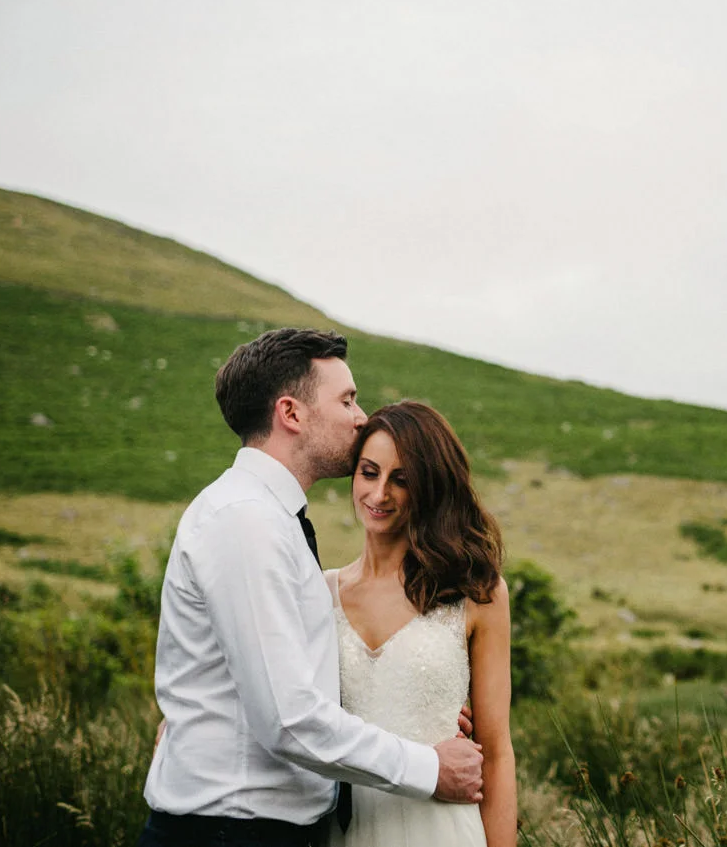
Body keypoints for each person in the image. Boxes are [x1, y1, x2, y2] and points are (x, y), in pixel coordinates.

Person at [141, 329, 485, 847]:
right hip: (231, 833)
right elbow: (288, 718)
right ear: (292, 414)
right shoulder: (246, 522)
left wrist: (419, 699)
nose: (361, 416)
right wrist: (428, 766)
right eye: (346, 399)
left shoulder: (271, 520)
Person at [326, 401, 515, 847]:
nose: (379, 494)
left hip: (444, 830)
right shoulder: (317, 593)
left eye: (402, 480)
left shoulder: (475, 593)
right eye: (369, 472)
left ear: (430, 487)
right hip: (344, 830)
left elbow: (498, 753)